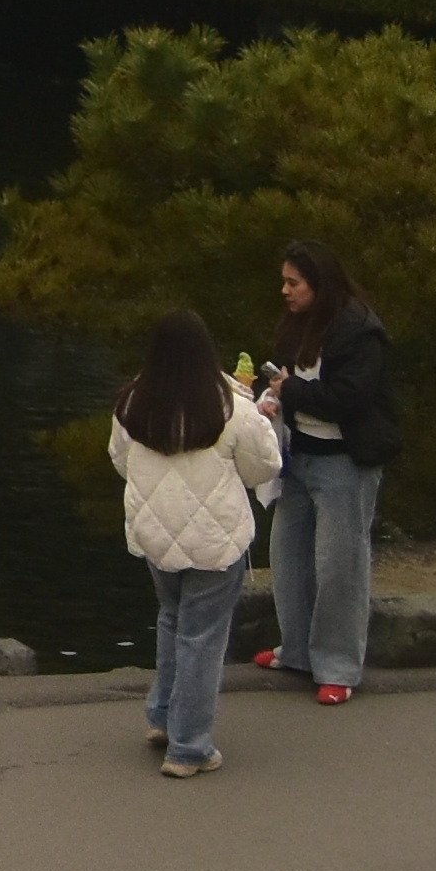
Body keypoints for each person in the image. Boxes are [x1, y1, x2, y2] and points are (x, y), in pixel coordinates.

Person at [116, 310, 284, 778]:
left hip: (155, 534)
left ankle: (162, 716)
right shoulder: (231, 405)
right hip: (215, 540)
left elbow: (119, 460)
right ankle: (189, 746)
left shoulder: (133, 400)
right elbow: (264, 467)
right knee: (202, 637)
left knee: (171, 619)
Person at [254, 239, 395, 704]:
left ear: (319, 283)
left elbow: (347, 398)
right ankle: (296, 649)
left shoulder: (359, 331)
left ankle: (338, 666)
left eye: (294, 282)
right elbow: (290, 383)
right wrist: (273, 397)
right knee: (289, 555)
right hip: (299, 456)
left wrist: (290, 391)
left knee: (339, 564)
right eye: (284, 281)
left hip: (344, 462)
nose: (285, 291)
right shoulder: (297, 324)